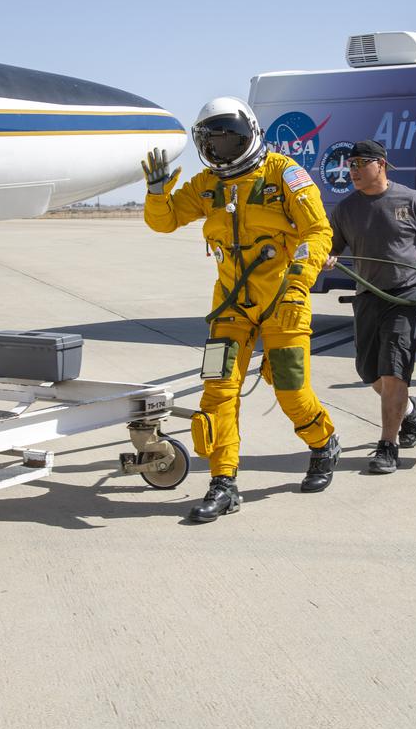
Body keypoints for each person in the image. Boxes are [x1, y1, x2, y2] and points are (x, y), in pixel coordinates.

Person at [142, 96, 340, 521]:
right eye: (213, 142)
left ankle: (323, 444)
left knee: (290, 391)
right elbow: (165, 220)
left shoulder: (285, 173)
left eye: (230, 140)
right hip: (231, 310)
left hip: (284, 303)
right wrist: (158, 194)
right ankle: (223, 482)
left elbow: (318, 231)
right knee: (217, 392)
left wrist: (298, 285)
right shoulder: (207, 184)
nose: (222, 149)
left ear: (249, 134)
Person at [323, 140, 416, 475]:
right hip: (368, 296)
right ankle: (410, 409)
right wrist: (327, 257)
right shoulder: (346, 209)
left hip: (405, 297)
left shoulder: (413, 201)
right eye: (350, 165)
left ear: (381, 164)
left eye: (359, 163)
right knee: (369, 372)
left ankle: (388, 445)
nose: (352, 171)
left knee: (394, 371)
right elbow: (331, 247)